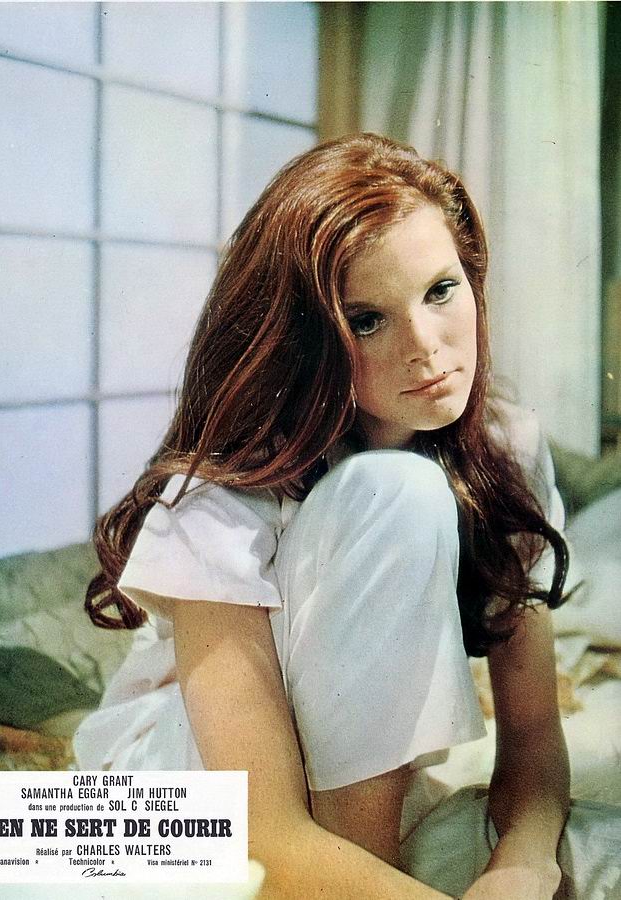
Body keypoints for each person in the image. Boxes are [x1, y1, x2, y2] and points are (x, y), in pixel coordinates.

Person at [74, 133, 590, 899]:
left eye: (440, 290)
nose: (427, 348)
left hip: (342, 791)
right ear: (309, 336)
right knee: (396, 490)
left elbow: (536, 743)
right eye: (368, 320)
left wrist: (521, 861)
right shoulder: (225, 491)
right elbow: (268, 833)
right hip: (174, 800)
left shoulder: (503, 448)